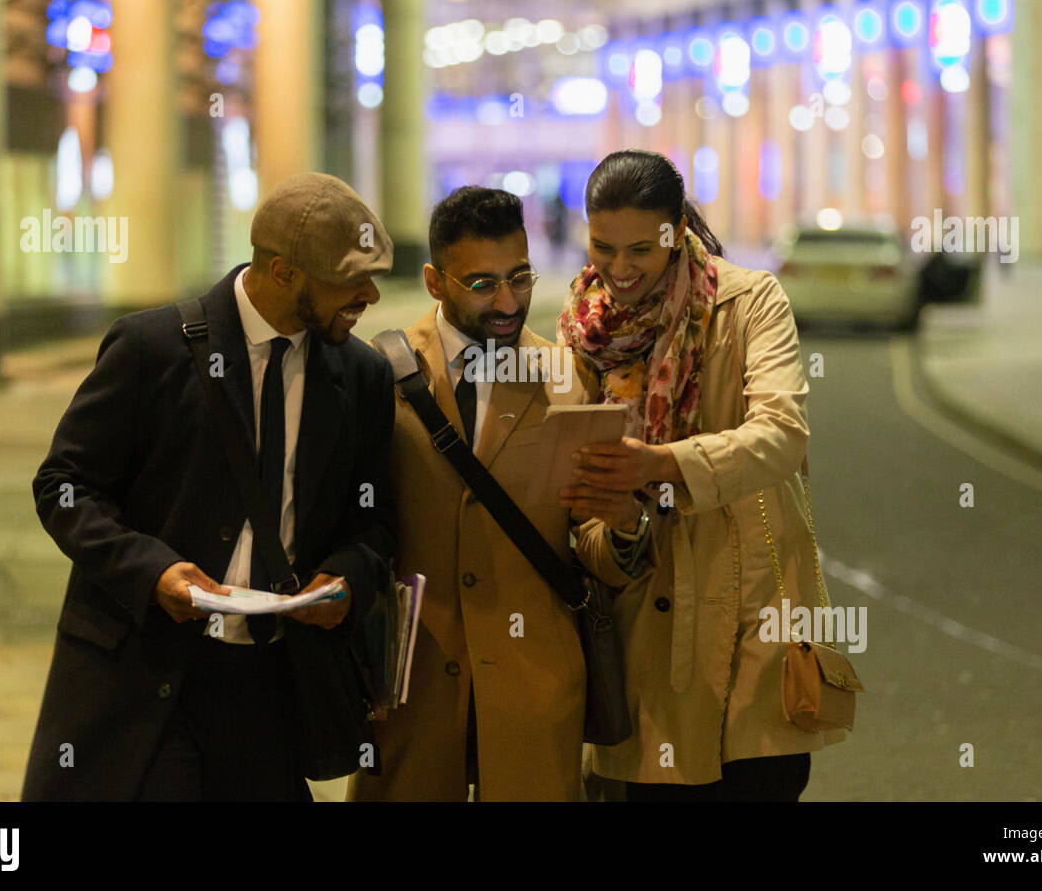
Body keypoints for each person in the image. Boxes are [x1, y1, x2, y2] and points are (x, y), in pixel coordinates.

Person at [22, 172, 398, 801]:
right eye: (351, 280)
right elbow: (64, 486)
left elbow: (375, 518)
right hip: (144, 674)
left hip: (270, 688)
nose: (371, 295)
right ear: (283, 272)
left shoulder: (361, 376)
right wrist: (153, 572)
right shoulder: (152, 348)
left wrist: (348, 579)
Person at [558, 150, 847, 801]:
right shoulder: (583, 328)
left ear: (677, 230)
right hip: (646, 627)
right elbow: (576, 490)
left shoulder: (750, 302)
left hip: (754, 611)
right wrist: (618, 526)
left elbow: (782, 433)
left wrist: (663, 464)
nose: (620, 269)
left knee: (760, 780)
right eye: (603, 247)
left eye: (641, 249)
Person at [348, 186, 646, 801]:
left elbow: (589, 539)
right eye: (483, 284)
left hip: (534, 683)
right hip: (411, 684)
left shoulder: (569, 378)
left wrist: (622, 526)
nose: (508, 302)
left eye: (520, 277)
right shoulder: (379, 375)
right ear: (434, 281)